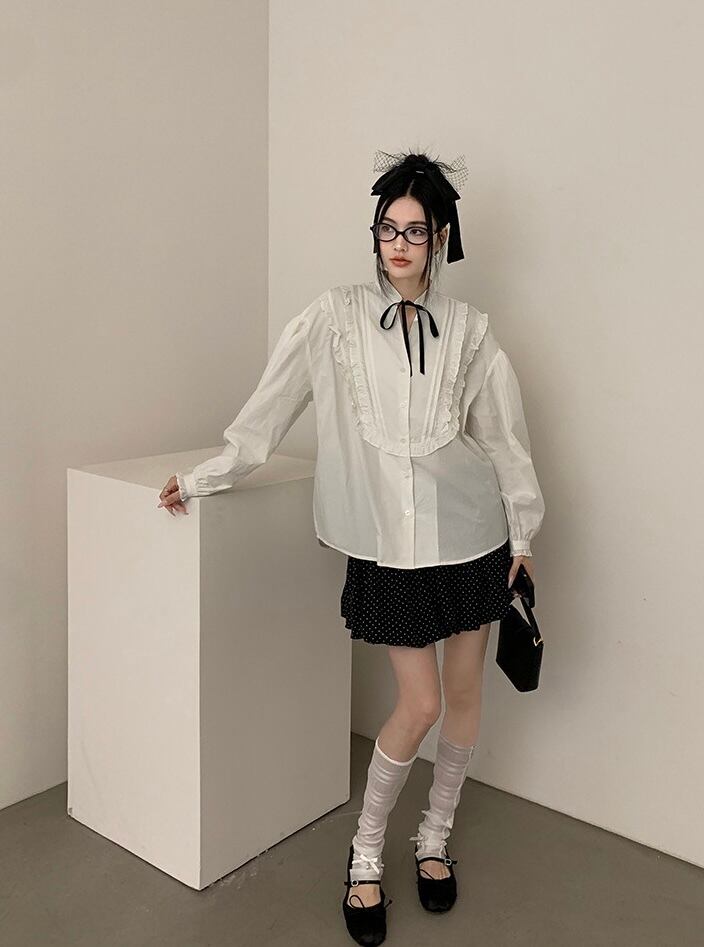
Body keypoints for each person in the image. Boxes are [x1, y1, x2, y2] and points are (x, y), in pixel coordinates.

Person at [157, 148, 545, 945]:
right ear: (374, 235)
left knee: (465, 697)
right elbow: (270, 409)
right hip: (388, 547)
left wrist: (524, 533)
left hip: (471, 539)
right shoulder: (333, 318)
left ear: (440, 239)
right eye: (386, 229)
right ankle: (365, 852)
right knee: (421, 704)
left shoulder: (471, 332)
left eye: (415, 230)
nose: (398, 244)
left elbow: (504, 439)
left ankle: (433, 838)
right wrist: (205, 477)